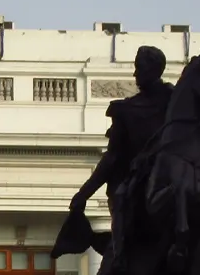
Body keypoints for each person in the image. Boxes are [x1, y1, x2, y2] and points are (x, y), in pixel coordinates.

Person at [52, 46, 173, 271]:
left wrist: (83, 195)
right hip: (138, 183)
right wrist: (85, 192)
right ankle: (120, 255)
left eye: (139, 68)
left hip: (169, 178)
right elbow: (113, 158)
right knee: (123, 198)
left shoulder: (175, 102)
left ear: (154, 69)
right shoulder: (127, 110)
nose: (135, 75)